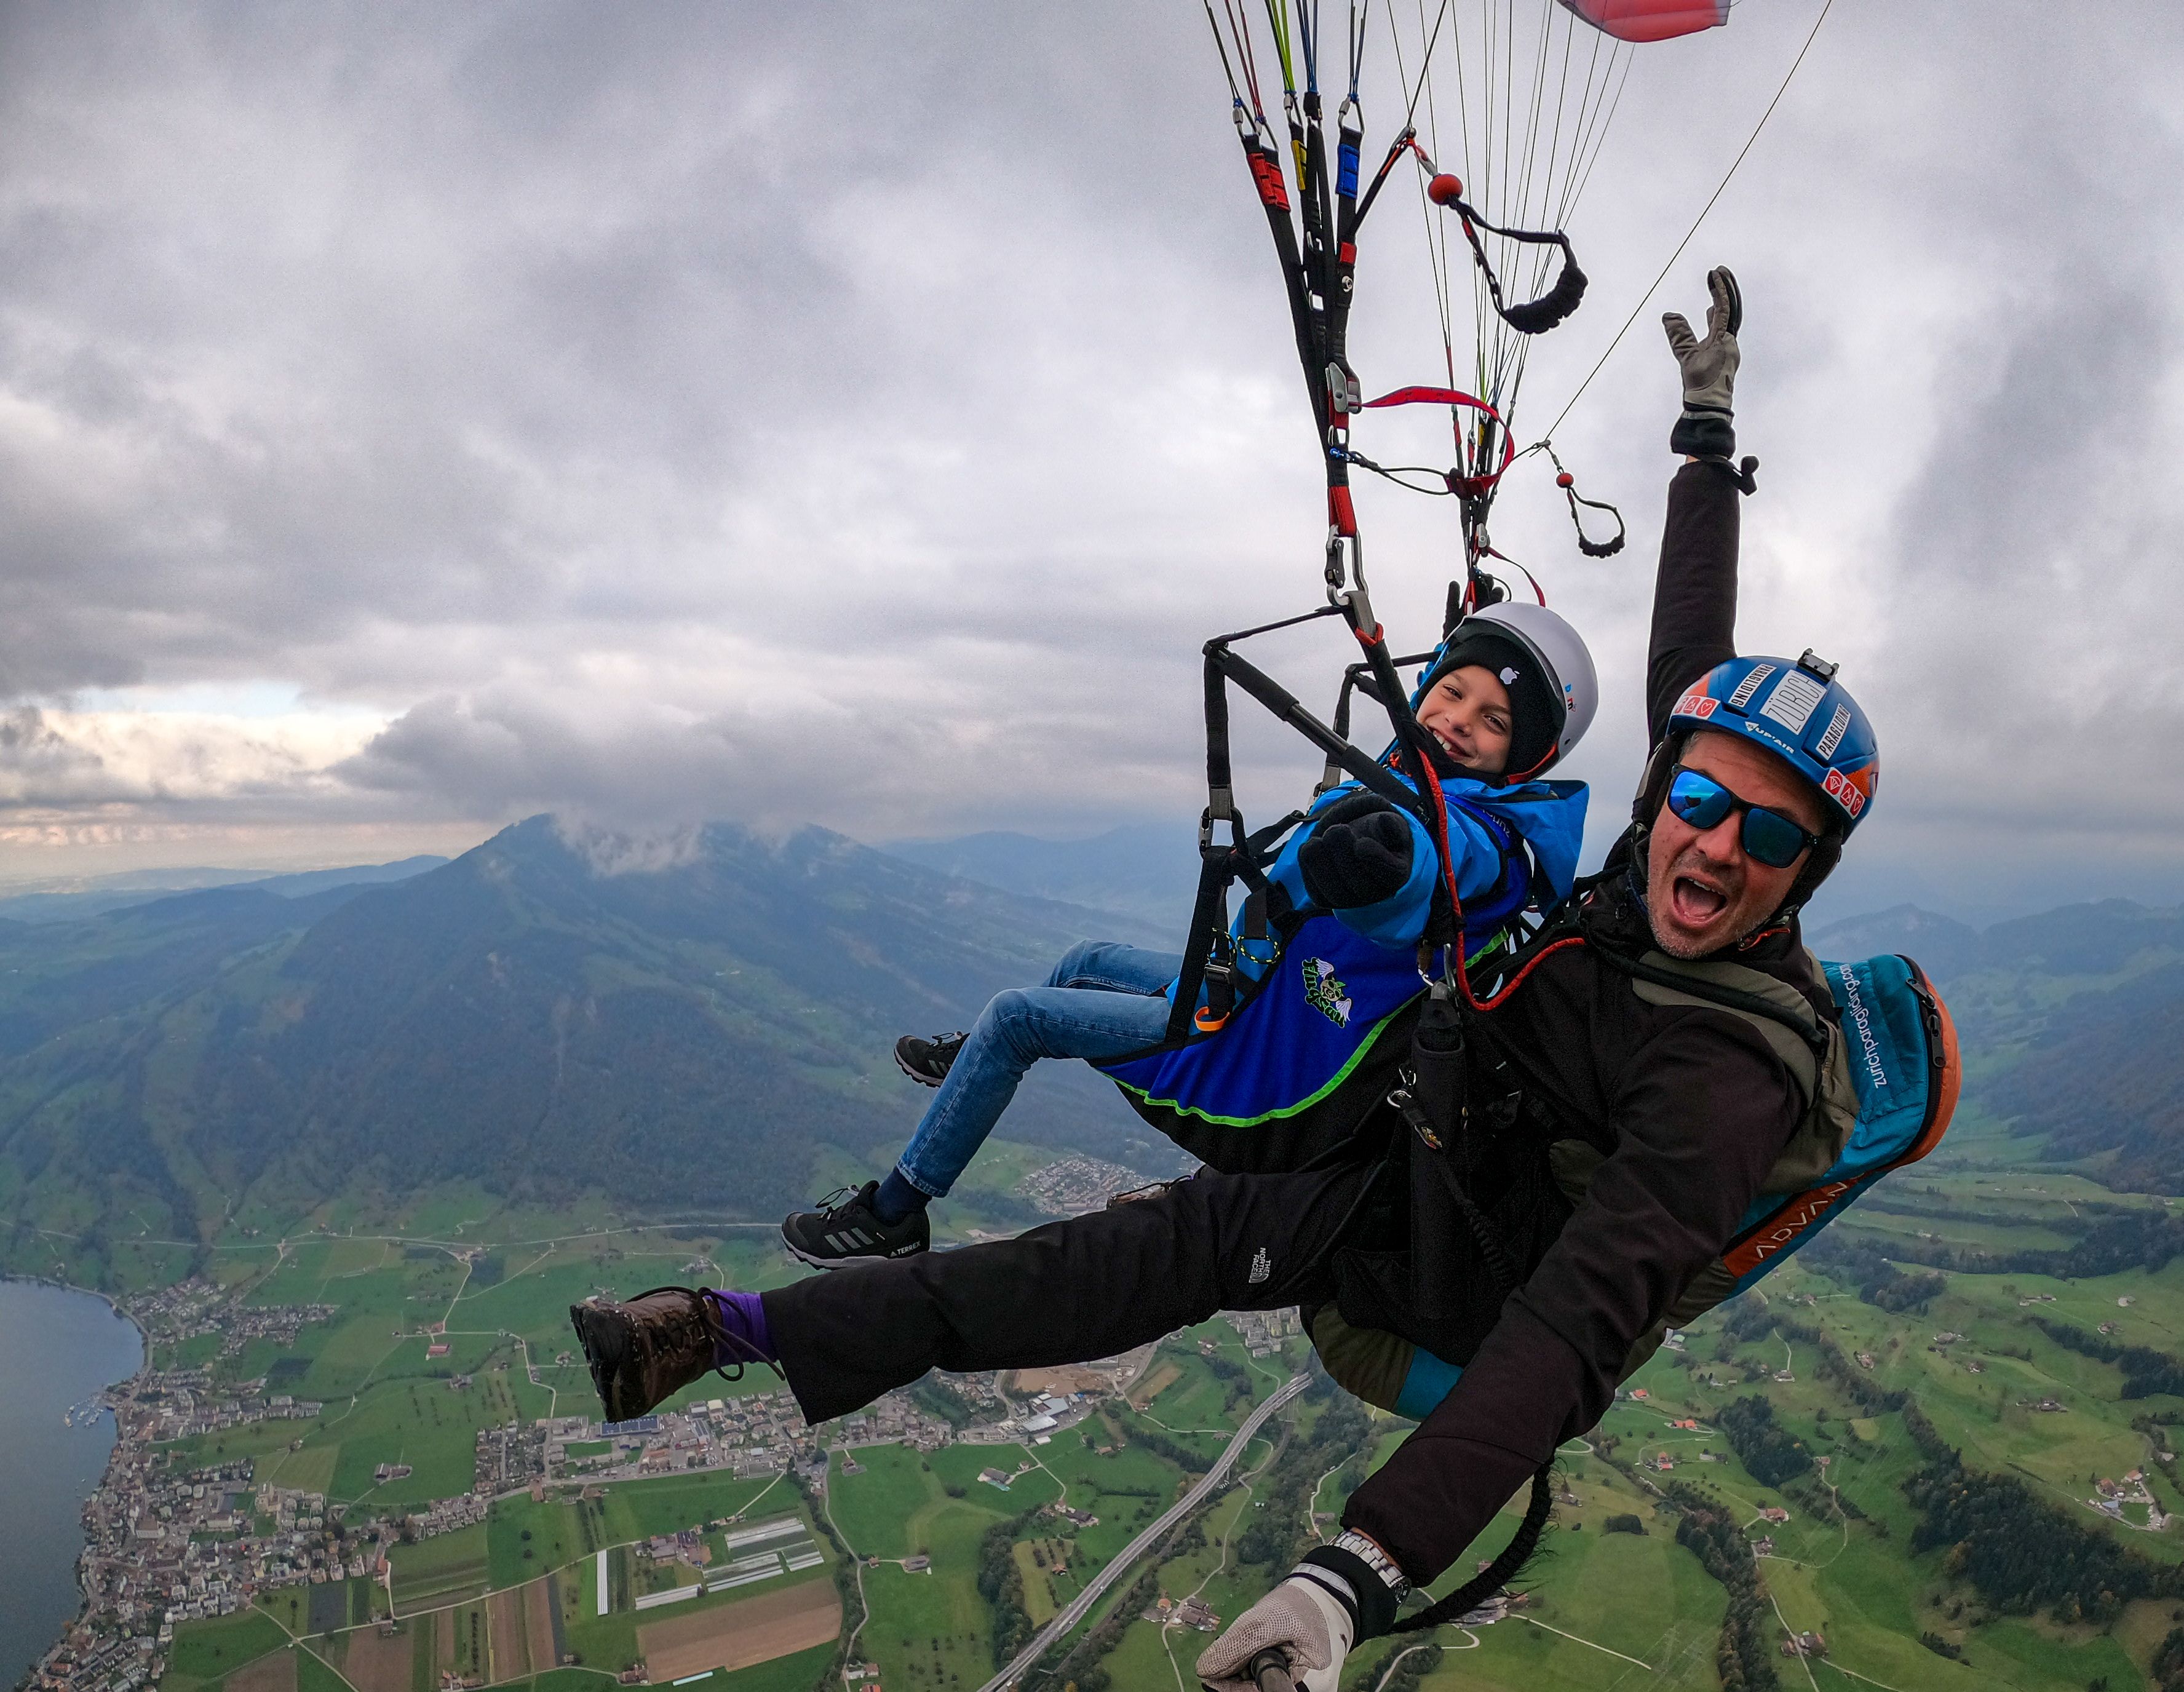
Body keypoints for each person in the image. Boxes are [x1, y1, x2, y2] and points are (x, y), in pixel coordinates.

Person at [571, 268, 1878, 1690]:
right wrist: (1703, 434)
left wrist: (1352, 1575)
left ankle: (868, 1235)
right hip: (1381, 1144)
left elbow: (1574, 1329)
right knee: (1096, 1262)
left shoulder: (1728, 1074)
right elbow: (1688, 648)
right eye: (1700, 796)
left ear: (1803, 873)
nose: (1713, 841)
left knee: (1141, 1207)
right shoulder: (1648, 853)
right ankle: (726, 1328)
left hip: (1443, 1281)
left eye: (1767, 833)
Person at [777, 598, 1598, 1268]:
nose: (1458, 719)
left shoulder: (1489, 843)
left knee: (1016, 1016)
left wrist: (1385, 865)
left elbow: (1440, 870)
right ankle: (971, 1076)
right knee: (1083, 960)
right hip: (1250, 989)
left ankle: (893, 1213)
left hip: (1257, 1066)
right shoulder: (1410, 776)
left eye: (1492, 721)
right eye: (1452, 693)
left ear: (1523, 757)